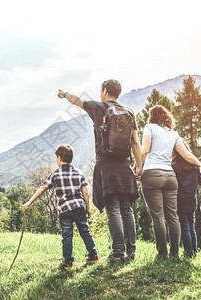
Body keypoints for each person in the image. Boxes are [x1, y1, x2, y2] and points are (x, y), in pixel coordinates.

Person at [58, 79, 142, 263]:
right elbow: (135, 142)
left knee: (113, 207)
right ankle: (131, 252)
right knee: (127, 209)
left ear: (104, 91)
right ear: (118, 93)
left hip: (106, 164)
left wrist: (64, 94)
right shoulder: (129, 112)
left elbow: (77, 101)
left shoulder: (99, 107)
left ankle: (118, 252)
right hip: (125, 164)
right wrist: (139, 165)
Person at [23, 144, 98, 271]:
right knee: (85, 231)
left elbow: (43, 188)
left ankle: (68, 263)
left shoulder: (55, 174)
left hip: (64, 209)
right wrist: (88, 208)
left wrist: (29, 202)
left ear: (59, 158)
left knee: (67, 236)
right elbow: (85, 192)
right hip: (79, 207)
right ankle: (93, 256)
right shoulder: (79, 173)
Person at [141, 105, 201, 260]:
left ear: (152, 116)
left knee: (158, 217)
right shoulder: (174, 134)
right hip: (170, 177)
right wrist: (199, 164)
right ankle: (175, 254)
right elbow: (187, 156)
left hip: (152, 174)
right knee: (173, 216)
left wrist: (137, 166)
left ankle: (162, 254)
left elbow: (145, 150)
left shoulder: (149, 128)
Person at [171, 140, 201, 259]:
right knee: (191, 226)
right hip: (192, 200)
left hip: (180, 199)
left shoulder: (174, 166)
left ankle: (188, 252)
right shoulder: (194, 166)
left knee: (184, 227)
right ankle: (193, 251)